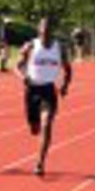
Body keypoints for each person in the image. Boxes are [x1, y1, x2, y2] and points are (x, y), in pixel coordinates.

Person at [15, 17, 72, 176]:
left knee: (47, 124)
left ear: (52, 31)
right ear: (39, 30)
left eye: (48, 29)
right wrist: (23, 77)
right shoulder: (31, 46)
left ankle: (40, 163)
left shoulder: (59, 48)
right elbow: (18, 66)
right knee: (35, 128)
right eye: (43, 29)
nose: (45, 32)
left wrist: (65, 85)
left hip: (48, 90)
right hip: (32, 90)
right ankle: (35, 125)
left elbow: (68, 69)